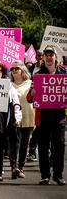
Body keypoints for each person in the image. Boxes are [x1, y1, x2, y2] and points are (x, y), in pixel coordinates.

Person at [29, 46, 66, 186]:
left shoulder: (64, 74)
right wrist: (31, 94)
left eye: (51, 55)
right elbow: (29, 97)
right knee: (43, 146)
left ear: (56, 58)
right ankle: (45, 175)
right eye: (46, 55)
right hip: (43, 117)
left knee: (60, 145)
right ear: (43, 58)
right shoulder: (38, 76)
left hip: (59, 117)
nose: (49, 58)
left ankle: (58, 175)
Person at [8, 60, 34, 180]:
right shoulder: (8, 84)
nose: (14, 71)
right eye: (12, 69)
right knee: (14, 143)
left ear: (22, 70)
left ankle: (21, 168)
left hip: (28, 116)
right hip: (14, 118)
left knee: (24, 144)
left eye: (16, 69)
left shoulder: (30, 83)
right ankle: (14, 167)